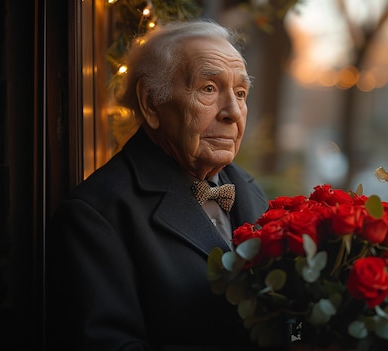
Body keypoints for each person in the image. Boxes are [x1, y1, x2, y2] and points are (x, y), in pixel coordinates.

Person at [45, 20, 270, 350]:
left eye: (240, 93)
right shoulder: (95, 216)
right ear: (151, 103)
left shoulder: (248, 189)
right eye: (209, 88)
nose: (233, 112)